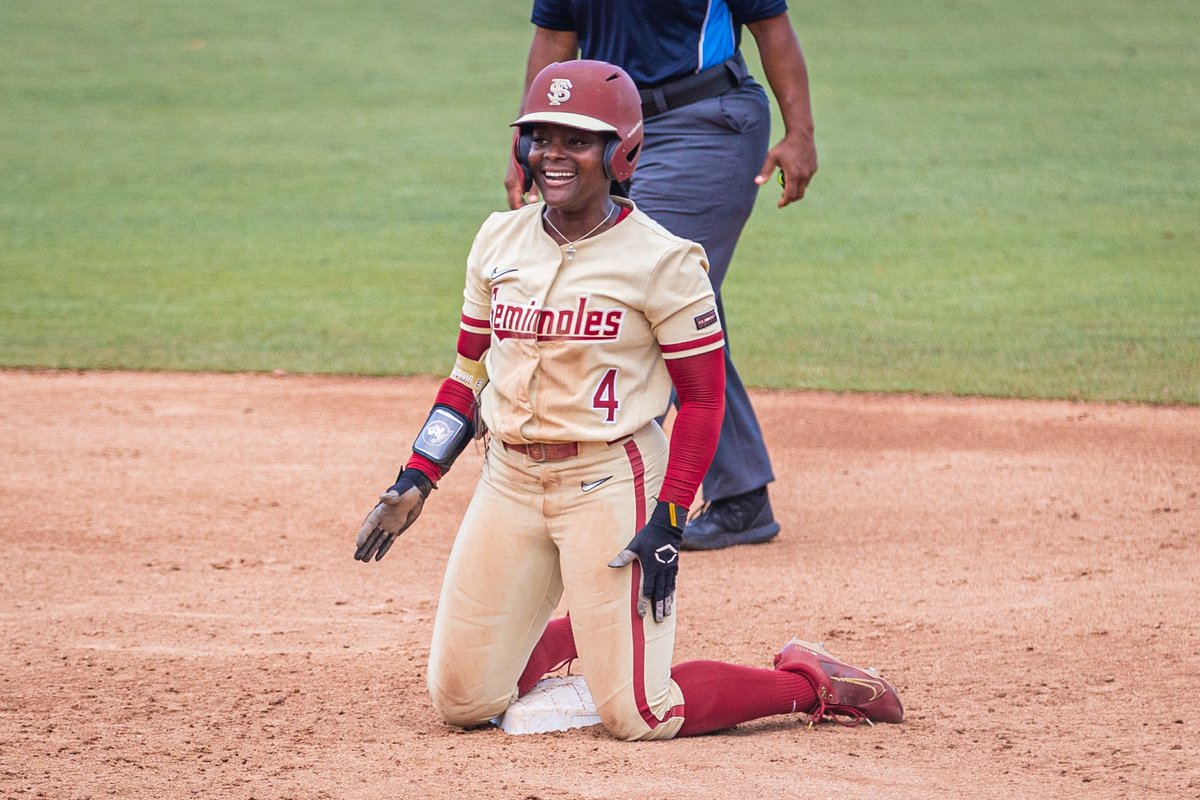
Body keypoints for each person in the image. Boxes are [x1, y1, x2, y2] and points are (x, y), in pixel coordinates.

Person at [355, 60, 900, 741]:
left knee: (641, 715)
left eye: (576, 140)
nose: (553, 154)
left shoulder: (665, 260)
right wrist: (418, 475)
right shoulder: (498, 240)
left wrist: (669, 519)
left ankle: (809, 682)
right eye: (541, 137)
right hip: (511, 482)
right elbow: (468, 377)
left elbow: (702, 402)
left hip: (611, 483)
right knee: (463, 702)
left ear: (622, 152)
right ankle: (582, 629)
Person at [504, 1, 819, 551]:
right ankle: (740, 491)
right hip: (601, 134)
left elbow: (772, 26)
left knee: (646, 294)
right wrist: (530, 143)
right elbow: (555, 39)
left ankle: (630, 485)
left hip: (706, 121)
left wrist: (801, 132)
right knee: (680, 308)